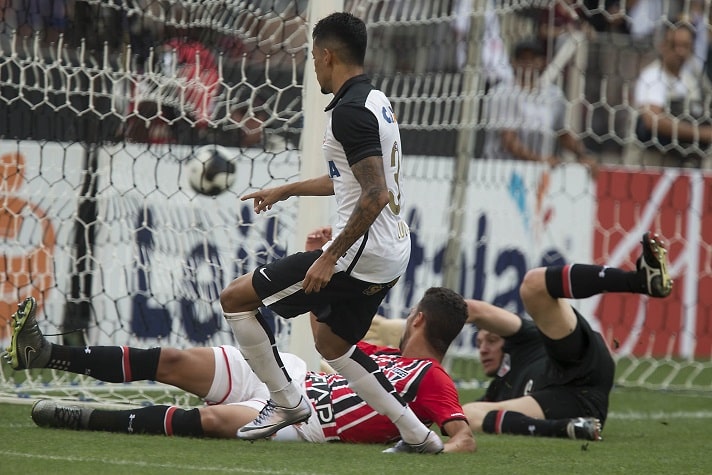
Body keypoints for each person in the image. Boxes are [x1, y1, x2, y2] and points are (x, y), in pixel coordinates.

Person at [218, 12, 435, 454]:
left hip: (359, 254)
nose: (313, 67)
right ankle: (418, 435)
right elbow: (357, 180)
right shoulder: (373, 100)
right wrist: (288, 189)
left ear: (326, 55)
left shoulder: (350, 113)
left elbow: (373, 195)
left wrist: (329, 256)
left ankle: (285, 403)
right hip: (391, 251)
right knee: (332, 343)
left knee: (236, 299)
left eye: (313, 58)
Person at [2, 286, 474, 452]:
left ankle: (84, 417)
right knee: (174, 360)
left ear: (418, 320)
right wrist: (319, 293)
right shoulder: (386, 354)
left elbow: (464, 437)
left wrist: (427, 448)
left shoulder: (434, 379)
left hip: (310, 426)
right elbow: (327, 338)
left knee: (211, 421)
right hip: (293, 378)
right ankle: (44, 355)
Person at [462, 231, 673, 440]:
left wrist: (430, 323)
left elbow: (474, 310)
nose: (483, 349)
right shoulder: (497, 390)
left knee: (534, 284)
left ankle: (639, 281)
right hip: (572, 403)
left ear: (506, 339)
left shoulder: (524, 339)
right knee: (465, 415)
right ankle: (571, 429)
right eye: (479, 342)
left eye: (492, 340)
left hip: (577, 361)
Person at [482, 38, 599, 176]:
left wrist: (583, 154)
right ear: (513, 63)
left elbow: (562, 132)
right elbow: (508, 140)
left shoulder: (552, 94)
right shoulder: (502, 93)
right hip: (502, 170)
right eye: (523, 59)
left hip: (539, 172)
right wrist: (540, 160)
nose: (528, 64)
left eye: (533, 59)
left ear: (543, 62)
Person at [628, 21, 712, 168]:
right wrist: (702, 134)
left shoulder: (692, 80)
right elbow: (653, 120)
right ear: (663, 45)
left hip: (682, 164)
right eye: (674, 45)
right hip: (651, 165)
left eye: (685, 46)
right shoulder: (652, 76)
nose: (680, 51)